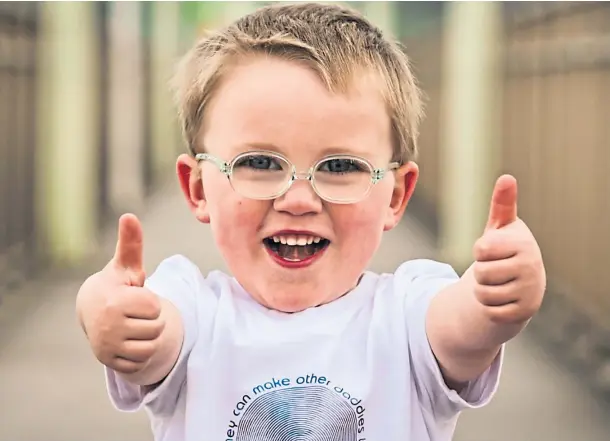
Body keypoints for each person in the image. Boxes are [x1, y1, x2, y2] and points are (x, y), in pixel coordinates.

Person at [76, 3, 546, 440]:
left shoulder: (407, 313)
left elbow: (462, 331)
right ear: (198, 187)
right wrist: (110, 313)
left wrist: (491, 297)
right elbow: (156, 341)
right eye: (260, 163)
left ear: (396, 195)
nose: (298, 199)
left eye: (341, 167)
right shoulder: (192, 308)